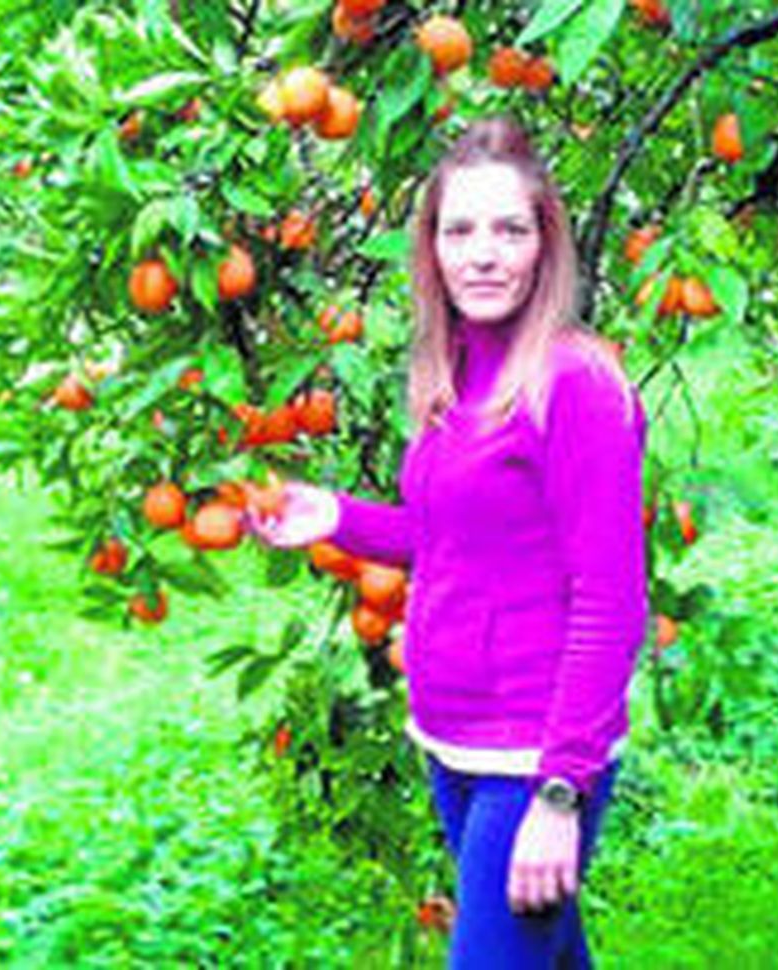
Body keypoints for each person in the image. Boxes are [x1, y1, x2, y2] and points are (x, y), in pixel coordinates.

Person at [246, 117, 648, 968]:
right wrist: (340, 520)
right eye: (459, 230)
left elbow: (612, 604)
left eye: (510, 228)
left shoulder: (575, 385)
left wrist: (561, 789)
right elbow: (456, 543)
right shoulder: (457, 377)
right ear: (430, 249)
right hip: (452, 741)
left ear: (546, 244)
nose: (484, 254)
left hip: (532, 756)